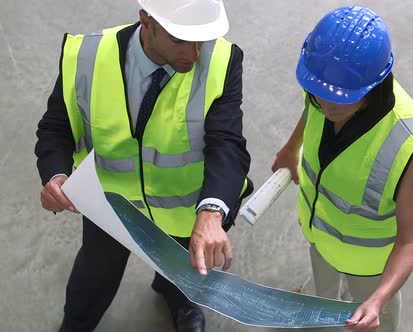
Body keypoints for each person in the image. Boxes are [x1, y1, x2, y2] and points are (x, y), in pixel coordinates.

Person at [34, 0, 252, 331]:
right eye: (179, 39)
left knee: (183, 276)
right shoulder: (87, 58)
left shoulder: (222, 60)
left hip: (184, 208)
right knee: (92, 282)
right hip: (111, 205)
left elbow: (227, 143)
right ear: (145, 21)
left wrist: (212, 211)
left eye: (200, 40)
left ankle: (180, 302)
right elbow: (56, 128)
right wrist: (55, 174)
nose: (193, 55)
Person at [272, 6, 413, 332]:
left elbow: (410, 240)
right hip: (319, 237)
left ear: (371, 87)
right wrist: (293, 147)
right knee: (323, 301)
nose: (325, 105)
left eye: (337, 98)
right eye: (317, 94)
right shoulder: (324, 90)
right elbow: (312, 108)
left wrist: (378, 299)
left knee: (374, 320)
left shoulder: (408, 144)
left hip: (369, 271)